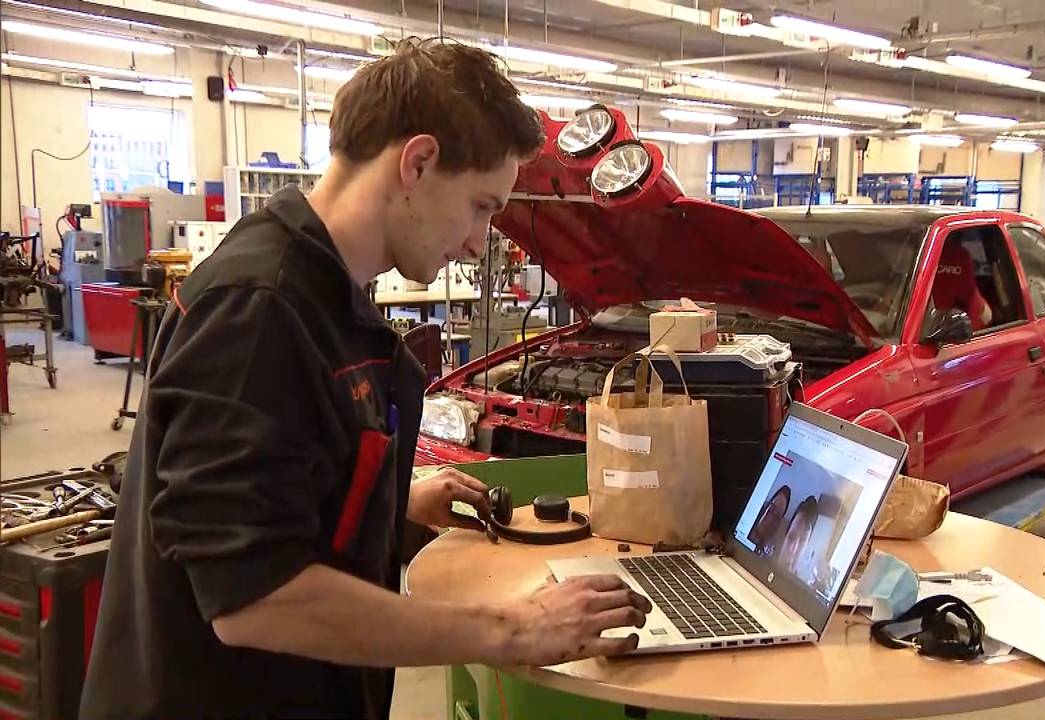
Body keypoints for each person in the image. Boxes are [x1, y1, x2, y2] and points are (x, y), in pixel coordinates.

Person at [80, 40, 650, 720]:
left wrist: (391, 499)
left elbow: (286, 466)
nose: (480, 242)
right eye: (480, 207)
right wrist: (513, 628)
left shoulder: (318, 292)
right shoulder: (260, 308)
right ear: (418, 161)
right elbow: (254, 596)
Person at [747, 485, 791, 556]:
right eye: (771, 510)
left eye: (777, 517)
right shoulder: (745, 523)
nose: (770, 519)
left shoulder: (766, 554)